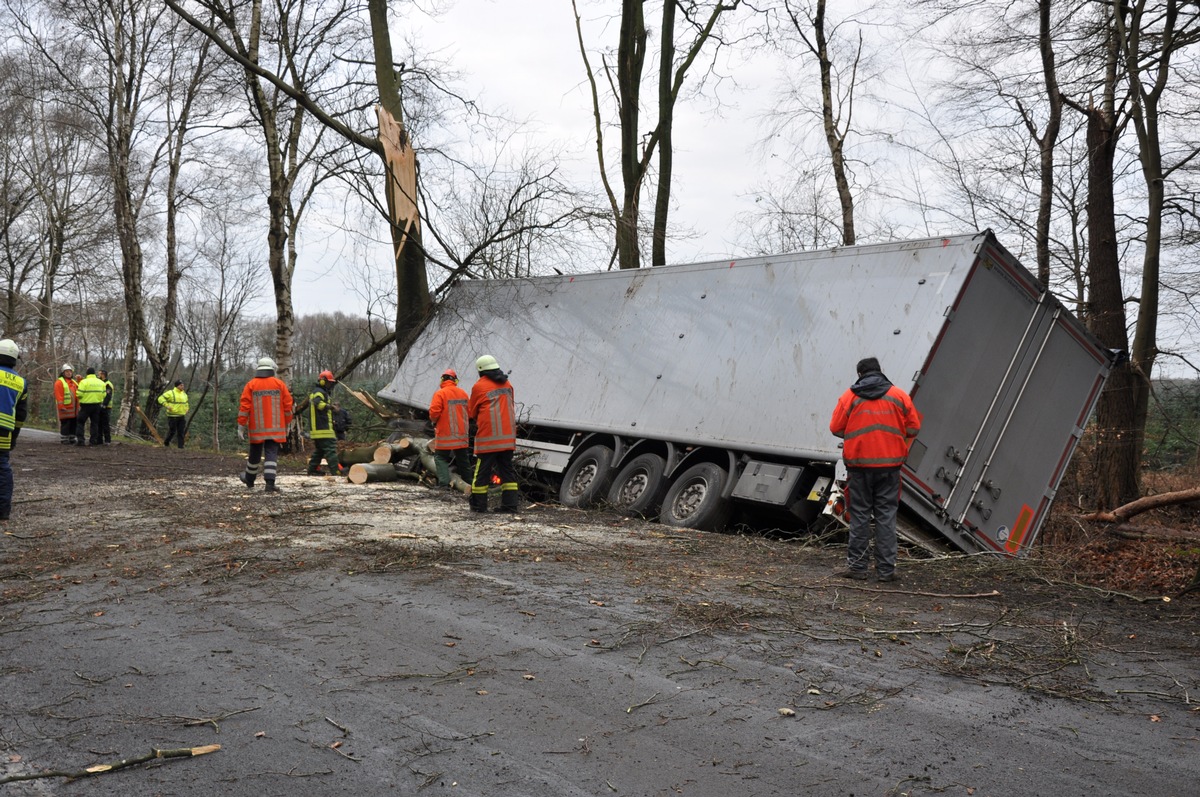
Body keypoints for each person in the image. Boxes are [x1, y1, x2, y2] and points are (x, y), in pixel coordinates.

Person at [829, 356, 922, 583]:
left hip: (859, 468)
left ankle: (858, 568)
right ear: (880, 371)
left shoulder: (849, 397)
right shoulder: (899, 395)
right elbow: (913, 428)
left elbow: (835, 428)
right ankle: (886, 571)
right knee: (886, 516)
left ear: (860, 375)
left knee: (860, 515)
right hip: (890, 468)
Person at [467, 354, 519, 513]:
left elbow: (472, 412)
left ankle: (478, 506)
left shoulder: (479, 386)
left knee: (481, 473)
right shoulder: (507, 383)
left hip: (489, 438)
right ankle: (510, 506)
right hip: (508, 437)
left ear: (480, 371)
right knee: (507, 472)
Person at [237, 357, 293, 493]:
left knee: (254, 454)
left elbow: (244, 407)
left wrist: (241, 426)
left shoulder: (251, 385)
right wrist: (287, 424)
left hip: (257, 428)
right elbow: (288, 406)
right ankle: (270, 483)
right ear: (271, 369)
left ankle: (249, 480)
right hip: (276, 428)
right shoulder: (279, 384)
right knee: (271, 454)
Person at [428, 368, 471, 488]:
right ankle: (469, 483)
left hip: (445, 434)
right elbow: (471, 412)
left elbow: (434, 413)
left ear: (442, 379)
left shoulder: (440, 394)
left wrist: (434, 422)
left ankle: (444, 485)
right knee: (463, 460)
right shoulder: (463, 393)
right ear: (455, 381)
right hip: (461, 435)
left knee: (440, 457)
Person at [0, 339, 28, 521]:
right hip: (4, 432)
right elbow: (21, 415)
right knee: (2, 467)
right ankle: (3, 510)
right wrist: (14, 437)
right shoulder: (21, 382)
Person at [306, 370, 341, 476]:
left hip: (319, 428)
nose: (330, 384)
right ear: (322, 381)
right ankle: (336, 471)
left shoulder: (322, 392)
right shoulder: (318, 392)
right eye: (329, 382)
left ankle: (312, 469)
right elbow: (318, 403)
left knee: (320, 451)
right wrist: (330, 407)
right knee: (331, 450)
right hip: (322, 427)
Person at [75, 367, 108, 446]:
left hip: (85, 405)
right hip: (97, 405)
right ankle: (93, 441)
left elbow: (79, 394)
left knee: (80, 422)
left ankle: (81, 441)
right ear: (94, 373)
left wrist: (82, 397)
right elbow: (104, 394)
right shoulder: (101, 382)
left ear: (87, 374)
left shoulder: (84, 382)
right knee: (94, 423)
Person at [158, 379, 189, 448]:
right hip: (172, 415)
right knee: (172, 431)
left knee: (181, 432)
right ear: (177, 386)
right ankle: (166, 443)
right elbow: (160, 398)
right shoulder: (170, 393)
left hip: (181, 415)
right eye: (181, 385)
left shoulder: (184, 394)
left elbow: (186, 402)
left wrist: (187, 408)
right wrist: (166, 405)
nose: (183, 386)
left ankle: (181, 447)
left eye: (183, 385)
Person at [53, 364, 78, 445]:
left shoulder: (74, 382)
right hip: (65, 408)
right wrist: (61, 406)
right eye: (67, 371)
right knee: (65, 423)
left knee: (73, 423)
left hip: (74, 409)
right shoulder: (59, 382)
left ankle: (72, 437)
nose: (69, 373)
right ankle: (64, 438)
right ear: (63, 372)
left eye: (70, 371)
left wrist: (80, 380)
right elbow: (58, 395)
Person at [97, 369, 115, 444]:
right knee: (99, 424)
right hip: (100, 406)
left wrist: (104, 405)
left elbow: (108, 396)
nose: (98, 375)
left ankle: (107, 440)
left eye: (99, 374)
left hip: (106, 407)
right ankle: (99, 440)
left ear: (103, 375)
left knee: (105, 424)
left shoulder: (107, 384)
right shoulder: (100, 383)